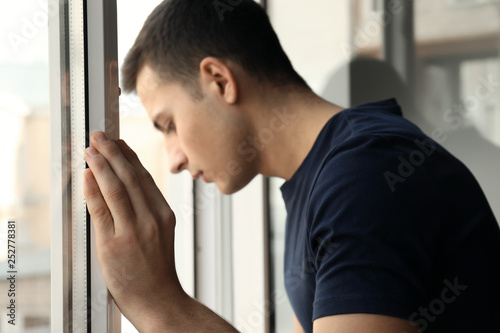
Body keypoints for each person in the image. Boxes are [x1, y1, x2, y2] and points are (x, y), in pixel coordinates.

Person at [82, 0, 500, 332]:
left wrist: (157, 301)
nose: (173, 160)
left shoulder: (366, 176)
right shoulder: (323, 180)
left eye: (169, 124)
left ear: (220, 81)